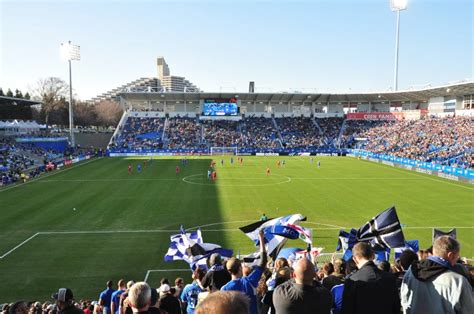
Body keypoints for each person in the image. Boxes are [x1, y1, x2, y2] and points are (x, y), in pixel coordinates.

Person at [400, 236, 474, 314]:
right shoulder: (458, 281)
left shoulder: (410, 272)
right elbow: (469, 310)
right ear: (450, 255)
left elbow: (405, 302)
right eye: (456, 256)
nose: (457, 260)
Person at [341, 242, 400, 314]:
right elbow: (396, 307)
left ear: (355, 259)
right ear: (373, 256)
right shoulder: (390, 278)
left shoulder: (351, 281)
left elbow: (346, 310)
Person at [221, 230, 267, 314]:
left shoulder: (224, 289)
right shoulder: (249, 281)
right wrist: (261, 238)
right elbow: (263, 262)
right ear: (239, 268)